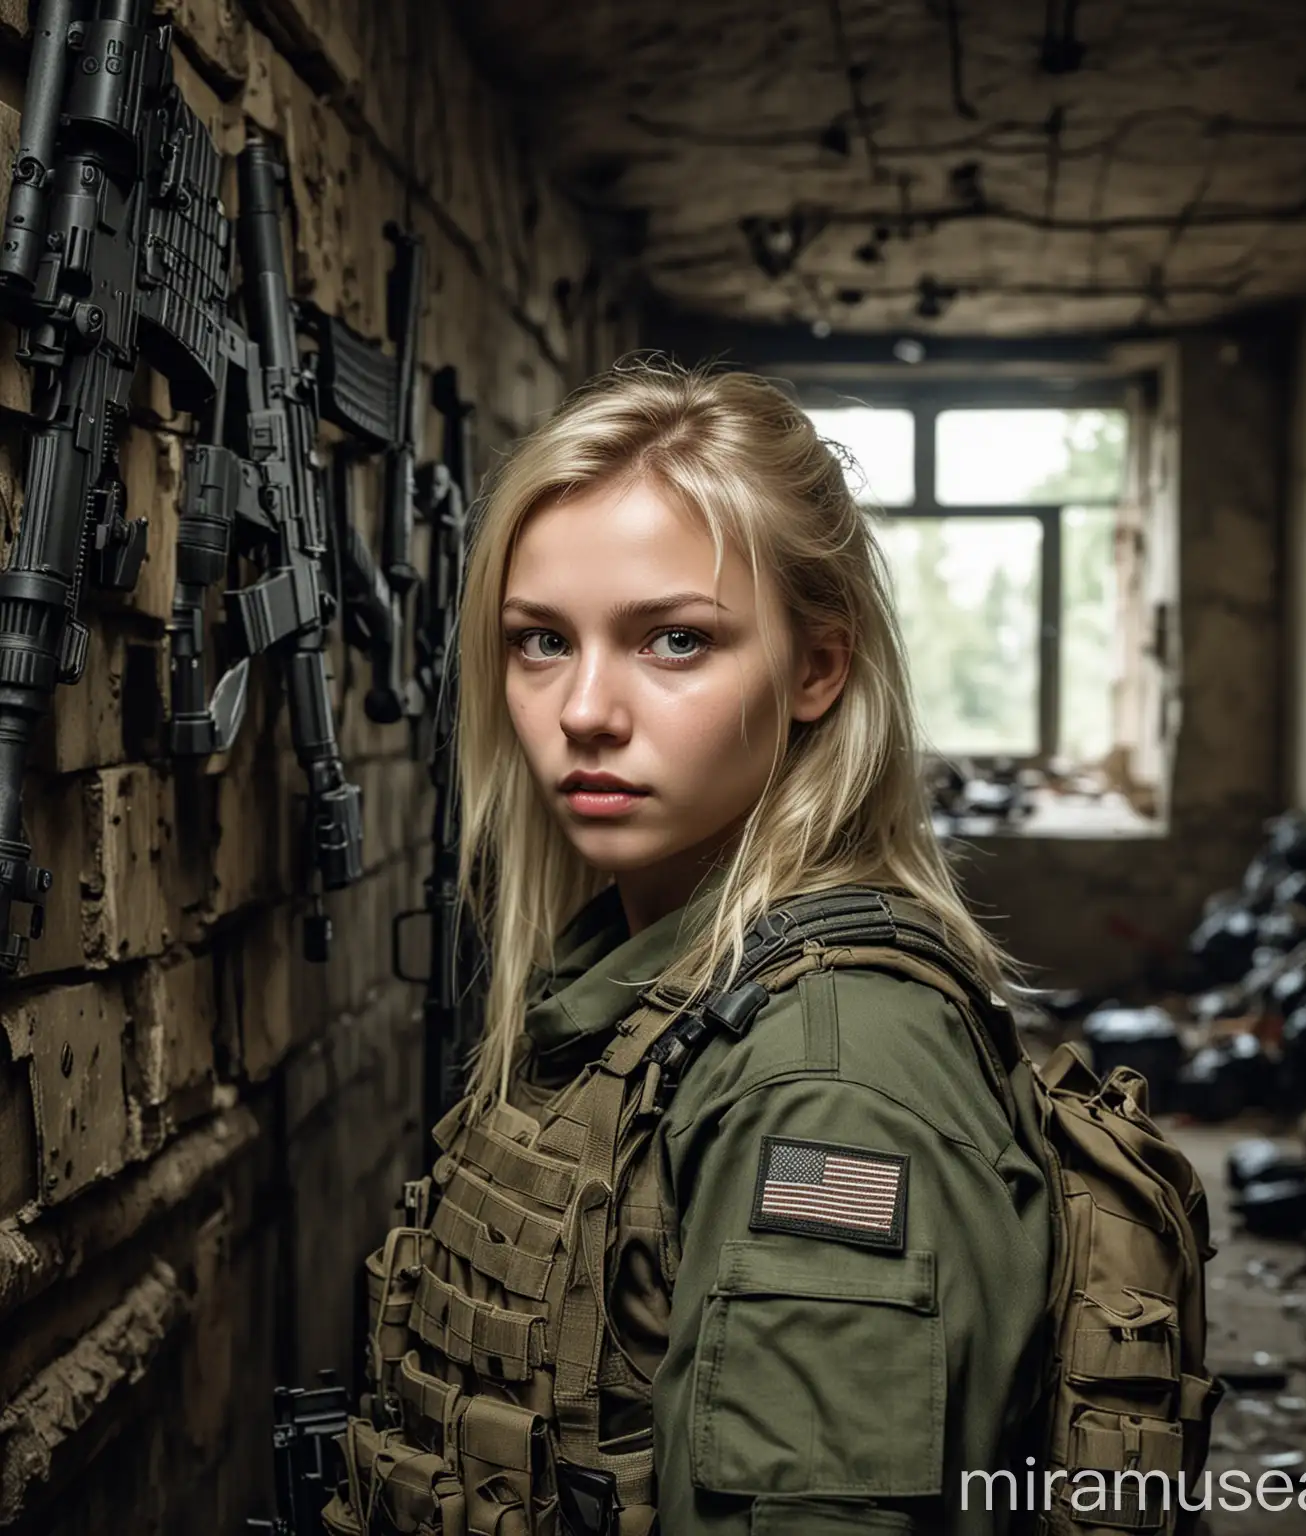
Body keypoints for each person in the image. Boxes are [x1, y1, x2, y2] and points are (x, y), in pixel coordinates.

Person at [324, 359, 1051, 1536]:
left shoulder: (826, 1079)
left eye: (672, 641)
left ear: (819, 666)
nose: (583, 711)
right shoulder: (638, 973)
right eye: (540, 641)